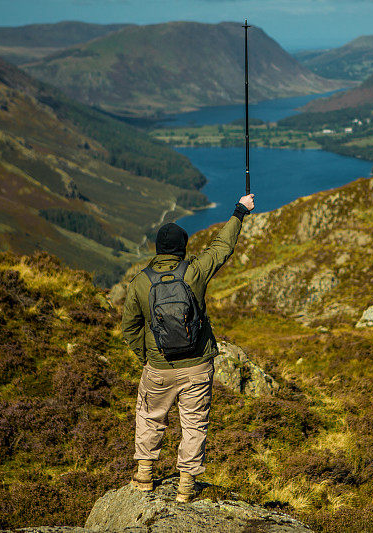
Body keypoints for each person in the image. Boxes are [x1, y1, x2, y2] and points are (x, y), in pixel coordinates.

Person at [121, 194, 254, 502]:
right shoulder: (193, 272)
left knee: (150, 417)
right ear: (181, 248)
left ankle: (143, 477)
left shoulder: (140, 282)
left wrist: (149, 357)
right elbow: (221, 248)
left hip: (158, 367)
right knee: (194, 422)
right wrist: (238, 211)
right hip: (196, 365)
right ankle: (185, 488)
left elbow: (130, 328)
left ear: (157, 249)